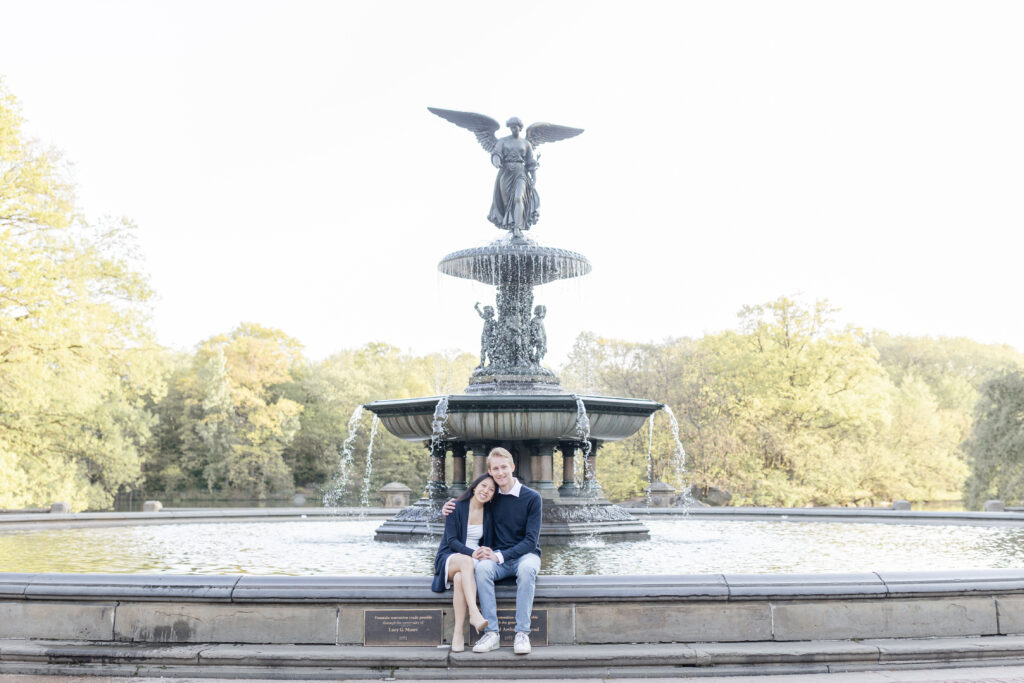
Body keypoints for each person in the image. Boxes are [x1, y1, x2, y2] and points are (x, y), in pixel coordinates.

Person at [444, 447, 542, 655]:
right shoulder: (491, 497)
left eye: (504, 467)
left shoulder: (532, 498)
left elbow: (531, 541)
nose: (500, 473)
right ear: (490, 471)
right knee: (482, 569)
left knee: (526, 570)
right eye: (495, 469)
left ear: (512, 467)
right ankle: (492, 633)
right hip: (497, 558)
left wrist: (500, 555)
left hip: (526, 555)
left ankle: (522, 633)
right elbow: (467, 505)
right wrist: (446, 508)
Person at [431, 474, 496, 652]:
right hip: (450, 557)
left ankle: (458, 634)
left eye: (491, 490)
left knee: (460, 578)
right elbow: (451, 541)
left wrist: (483, 552)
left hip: (471, 561)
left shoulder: (489, 513)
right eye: (483, 486)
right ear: (474, 487)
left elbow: (489, 541)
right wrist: (473, 553)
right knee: (465, 562)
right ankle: (474, 613)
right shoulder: (455, 506)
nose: (486, 491)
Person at [487, 117, 540, 239]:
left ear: (520, 128)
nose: (513, 129)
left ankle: (517, 228)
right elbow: (496, 153)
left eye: (515, 127)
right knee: (507, 205)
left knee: (518, 198)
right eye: (511, 128)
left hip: (520, 173)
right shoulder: (502, 141)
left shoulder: (526, 144)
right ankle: (512, 226)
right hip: (505, 173)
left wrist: (534, 177)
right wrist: (496, 160)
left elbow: (530, 162)